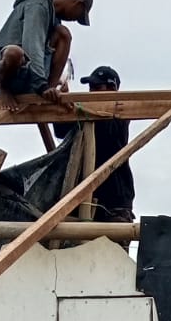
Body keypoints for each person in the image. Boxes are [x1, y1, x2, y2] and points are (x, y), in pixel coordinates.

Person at [0, 0, 94, 113]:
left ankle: (48, 94)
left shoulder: (53, 20)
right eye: (78, 16)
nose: (75, 20)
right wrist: (41, 86)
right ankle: (4, 89)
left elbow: (44, 52)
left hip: (33, 79)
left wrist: (51, 89)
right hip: (12, 70)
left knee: (64, 34)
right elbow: (32, 45)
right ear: (77, 4)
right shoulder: (38, 5)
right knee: (14, 53)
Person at [52, 65, 135, 222]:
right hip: (85, 197)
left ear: (112, 88)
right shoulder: (88, 114)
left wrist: (73, 105)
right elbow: (60, 131)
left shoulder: (119, 112)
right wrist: (61, 103)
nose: (92, 92)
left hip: (114, 201)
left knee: (112, 244)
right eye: (91, 88)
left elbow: (106, 131)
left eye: (97, 87)